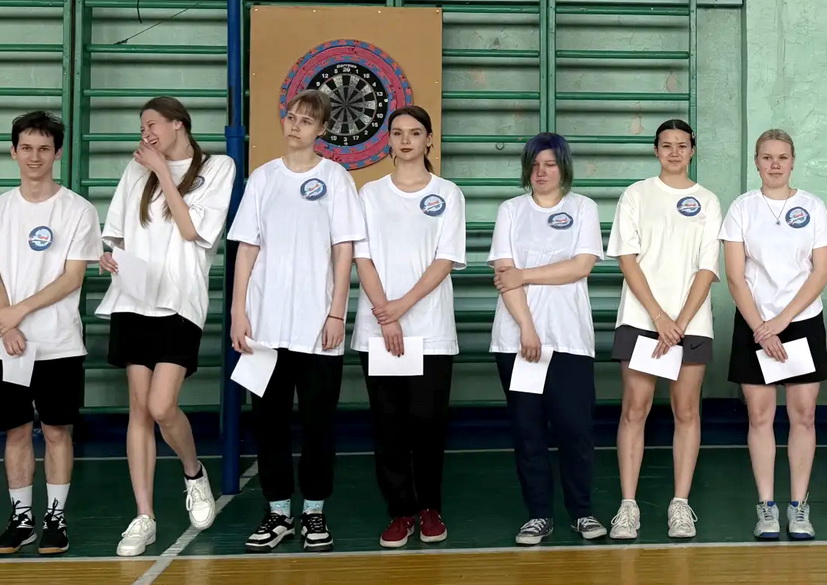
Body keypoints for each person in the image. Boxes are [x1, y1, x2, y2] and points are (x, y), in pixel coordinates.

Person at [228, 89, 366, 552]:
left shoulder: (335, 178)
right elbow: (248, 247)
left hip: (317, 325)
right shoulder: (264, 177)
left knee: (317, 424)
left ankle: (314, 511)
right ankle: (278, 512)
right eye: (291, 117)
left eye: (307, 121)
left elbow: (343, 249)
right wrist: (239, 311)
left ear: (322, 130)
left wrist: (336, 312)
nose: (296, 126)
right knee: (268, 423)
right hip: (265, 327)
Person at [96, 96, 232, 556]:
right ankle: (144, 517)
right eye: (142, 128)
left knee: (161, 406)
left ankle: (194, 472)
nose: (146, 134)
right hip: (133, 299)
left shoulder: (217, 167)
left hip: (180, 302)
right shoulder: (136, 169)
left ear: (178, 124)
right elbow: (116, 234)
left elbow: (193, 231)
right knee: (139, 409)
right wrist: (108, 256)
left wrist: (161, 171)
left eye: (152, 124)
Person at [0, 111, 102, 555]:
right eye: (27, 148)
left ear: (58, 153)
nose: (35, 157)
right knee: (15, 431)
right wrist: (6, 324)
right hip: (4, 343)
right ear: (13, 152)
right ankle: (22, 520)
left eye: (44, 149)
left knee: (56, 430)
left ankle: (56, 518)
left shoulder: (78, 210)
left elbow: (72, 278)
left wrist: (17, 313)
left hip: (58, 342)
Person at [353, 106, 466, 548]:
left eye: (415, 133)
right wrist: (386, 313)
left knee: (427, 422)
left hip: (430, 328)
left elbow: (446, 258)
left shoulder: (448, 194)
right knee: (390, 425)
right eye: (397, 133)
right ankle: (400, 511)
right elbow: (362, 256)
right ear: (388, 141)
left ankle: (429, 507)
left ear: (428, 140)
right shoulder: (370, 194)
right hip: (380, 329)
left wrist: (402, 305)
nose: (405, 140)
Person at [489, 132, 607, 546]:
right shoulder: (511, 210)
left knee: (576, 430)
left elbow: (580, 266)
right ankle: (538, 515)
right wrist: (526, 327)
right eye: (535, 165)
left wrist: (526, 274)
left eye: (550, 164)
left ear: (563, 168)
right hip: (518, 342)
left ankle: (582, 512)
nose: (541, 172)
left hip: (570, 340)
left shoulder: (583, 208)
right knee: (529, 433)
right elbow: (504, 276)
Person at [606, 120, 720, 541]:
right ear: (656, 150)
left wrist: (680, 322)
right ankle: (628, 506)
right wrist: (658, 317)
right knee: (634, 409)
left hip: (692, 323)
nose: (674, 152)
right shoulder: (636, 195)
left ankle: (680, 505)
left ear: (692, 151)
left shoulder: (708, 200)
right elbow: (628, 258)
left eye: (682, 145)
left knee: (686, 411)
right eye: (667, 145)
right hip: (641, 320)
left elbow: (707, 267)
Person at [722, 128, 827, 541]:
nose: (775, 164)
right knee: (760, 416)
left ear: (793, 161)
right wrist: (761, 327)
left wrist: (784, 321)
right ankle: (767, 507)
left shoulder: (813, 207)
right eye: (767, 157)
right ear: (757, 162)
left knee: (803, 415)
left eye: (782, 157)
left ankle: (799, 507)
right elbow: (735, 277)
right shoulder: (742, 208)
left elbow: (821, 271)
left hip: (800, 321)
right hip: (754, 323)